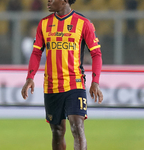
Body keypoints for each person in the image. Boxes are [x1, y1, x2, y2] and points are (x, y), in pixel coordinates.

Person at [21, 0, 103, 149]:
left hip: (75, 83)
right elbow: (36, 52)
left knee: (77, 127)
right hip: (52, 86)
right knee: (57, 131)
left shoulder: (83, 23)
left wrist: (95, 82)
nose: (48, 1)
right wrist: (30, 78)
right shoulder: (44, 24)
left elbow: (96, 54)